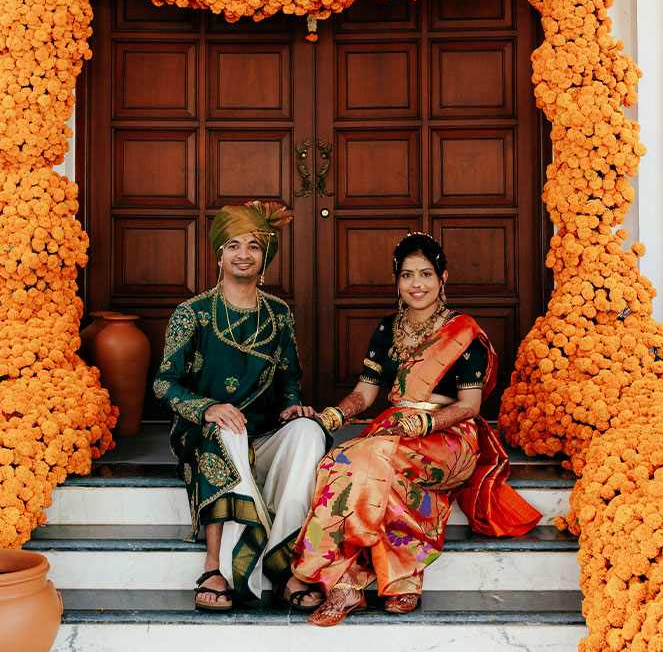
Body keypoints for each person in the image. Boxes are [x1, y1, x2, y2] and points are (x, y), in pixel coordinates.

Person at [292, 232, 542, 626]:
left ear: (443, 277)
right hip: (396, 432)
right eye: (407, 275)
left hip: (452, 438)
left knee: (370, 458)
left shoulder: (463, 334)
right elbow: (364, 393)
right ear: (397, 281)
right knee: (343, 460)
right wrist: (332, 417)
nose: (417, 284)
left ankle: (359, 577)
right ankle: (357, 583)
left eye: (426, 274)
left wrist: (426, 421)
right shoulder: (386, 329)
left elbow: (471, 406)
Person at [152, 200, 328, 612]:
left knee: (309, 430)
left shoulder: (279, 315)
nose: (243, 254)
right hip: (206, 435)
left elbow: (289, 378)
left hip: (263, 434)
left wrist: (291, 407)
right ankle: (217, 566)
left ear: (265, 256)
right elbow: (165, 381)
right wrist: (207, 408)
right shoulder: (191, 313)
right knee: (227, 428)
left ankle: (286, 564)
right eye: (233, 245)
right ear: (219, 254)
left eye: (253, 245)